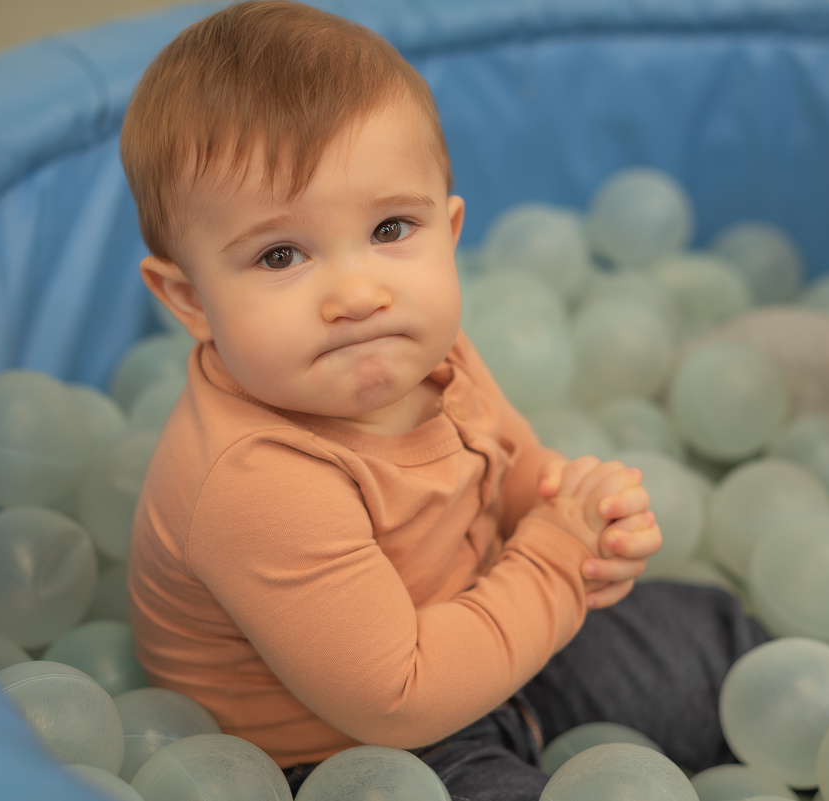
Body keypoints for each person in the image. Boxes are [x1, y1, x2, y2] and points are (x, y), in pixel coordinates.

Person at [119, 2, 769, 798]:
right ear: (187, 299)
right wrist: (558, 557)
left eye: (391, 229)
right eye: (280, 253)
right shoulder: (256, 478)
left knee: (715, 644)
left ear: (449, 230)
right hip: (350, 753)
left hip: (490, 630)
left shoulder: (421, 351)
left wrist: (577, 508)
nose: (359, 293)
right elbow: (400, 698)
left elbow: (510, 466)